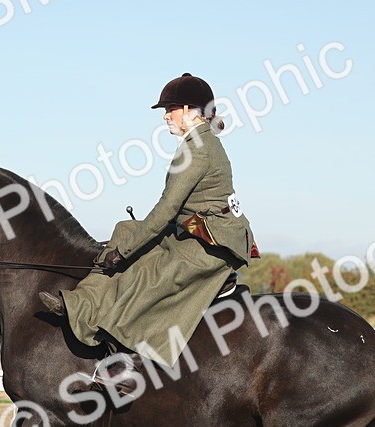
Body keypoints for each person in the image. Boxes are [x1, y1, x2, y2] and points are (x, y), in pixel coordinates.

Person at [40, 72, 257, 375]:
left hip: (213, 244)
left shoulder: (197, 149)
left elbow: (165, 211)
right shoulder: (195, 143)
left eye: (171, 110)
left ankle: (128, 367)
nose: (166, 117)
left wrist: (125, 252)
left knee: (145, 276)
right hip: (198, 231)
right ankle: (81, 304)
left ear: (190, 111)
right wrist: (126, 244)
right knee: (124, 229)